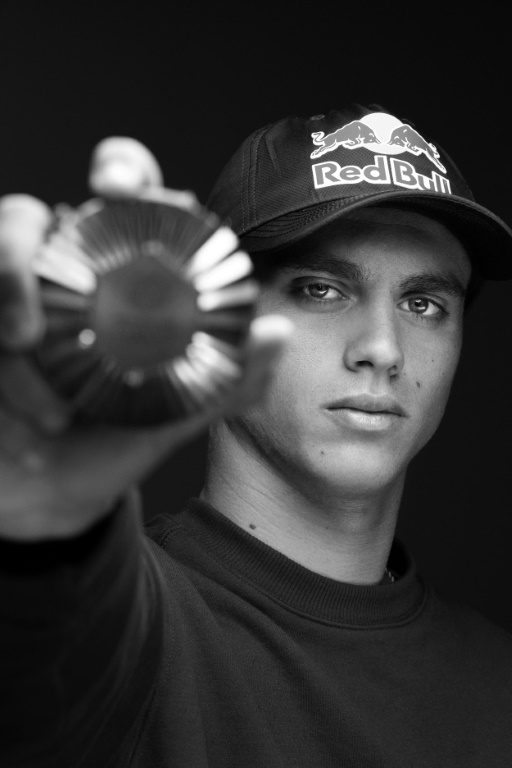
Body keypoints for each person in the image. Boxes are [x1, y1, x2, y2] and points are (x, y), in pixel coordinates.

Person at [1, 104, 511, 767]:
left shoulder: (497, 679)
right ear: (223, 315)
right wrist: (36, 528)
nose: (384, 349)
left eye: (424, 304)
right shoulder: (122, 632)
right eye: (321, 289)